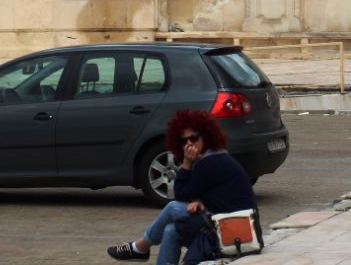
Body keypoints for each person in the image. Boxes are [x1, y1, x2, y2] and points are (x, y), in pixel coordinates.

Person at [107, 109, 259, 264]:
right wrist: (199, 200)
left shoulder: (211, 163)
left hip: (235, 229)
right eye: (184, 141)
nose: (189, 144)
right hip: (225, 224)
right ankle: (142, 250)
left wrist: (186, 163)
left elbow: (180, 194)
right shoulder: (213, 157)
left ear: (206, 137)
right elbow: (209, 192)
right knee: (170, 230)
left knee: (173, 208)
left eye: (194, 138)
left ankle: (140, 247)